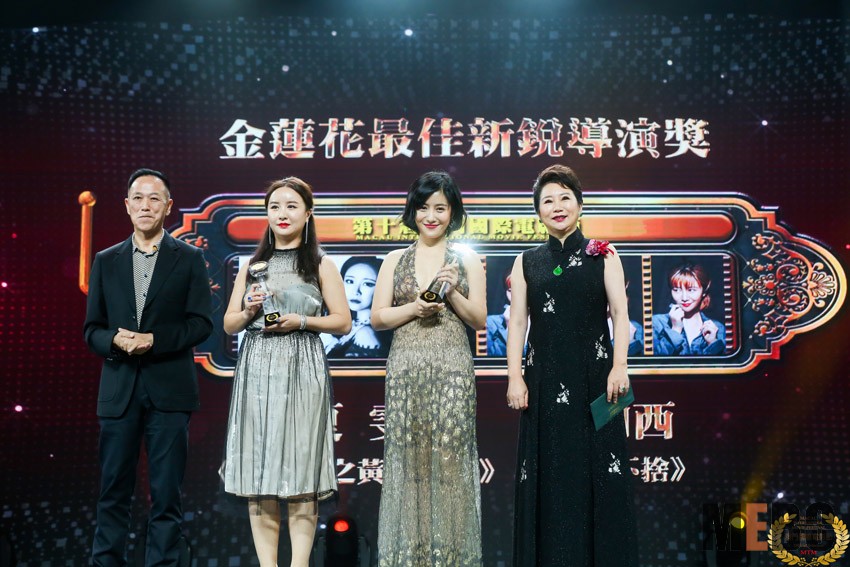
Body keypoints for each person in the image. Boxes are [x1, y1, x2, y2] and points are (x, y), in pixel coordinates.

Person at [506, 164, 639, 566]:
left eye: (565, 197)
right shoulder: (527, 261)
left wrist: (620, 366)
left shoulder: (605, 253)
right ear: (538, 212)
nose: (557, 206)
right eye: (548, 201)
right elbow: (517, 323)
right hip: (543, 382)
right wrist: (515, 377)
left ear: (580, 204)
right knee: (549, 475)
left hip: (599, 380)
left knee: (605, 473)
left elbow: (621, 314)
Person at [84, 168, 213, 566]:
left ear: (168, 206)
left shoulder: (189, 258)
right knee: (113, 492)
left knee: (166, 495)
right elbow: (92, 330)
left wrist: (154, 340)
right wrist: (116, 340)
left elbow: (201, 324)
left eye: (154, 198)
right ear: (126, 206)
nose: (145, 206)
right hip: (119, 389)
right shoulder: (106, 260)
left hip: (170, 390)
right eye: (138, 198)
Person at [220, 177, 351, 567]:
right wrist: (248, 309)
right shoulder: (251, 267)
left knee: (301, 471)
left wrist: (302, 321)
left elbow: (343, 322)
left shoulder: (321, 264)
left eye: (292, 206)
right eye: (275, 206)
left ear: (308, 213)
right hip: (257, 370)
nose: (282, 214)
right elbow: (229, 324)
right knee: (259, 473)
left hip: (302, 367)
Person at [372, 171, 486, 566]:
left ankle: (452, 557)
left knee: (451, 462)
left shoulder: (466, 259)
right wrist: (414, 308)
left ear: (452, 212)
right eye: (423, 208)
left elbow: (479, 319)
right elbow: (378, 318)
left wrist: (452, 292)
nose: (431, 216)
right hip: (405, 369)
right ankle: (409, 557)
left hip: (452, 368)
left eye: (440, 208)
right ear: (413, 212)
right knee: (409, 464)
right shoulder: (395, 259)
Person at [652, 262, 726, 355]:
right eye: (676, 290)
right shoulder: (657, 323)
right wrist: (675, 330)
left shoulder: (717, 328)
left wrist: (712, 343)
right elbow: (654, 362)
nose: (684, 298)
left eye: (691, 290)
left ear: (704, 291)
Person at [323, 256, 391, 358]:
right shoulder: (354, 326)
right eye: (350, 281)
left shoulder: (365, 333)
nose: (355, 291)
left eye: (367, 284)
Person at [486, 273, 511, 356]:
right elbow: (492, 359)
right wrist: (508, 328)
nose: (515, 296)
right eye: (510, 291)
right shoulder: (491, 322)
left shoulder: (538, 321)